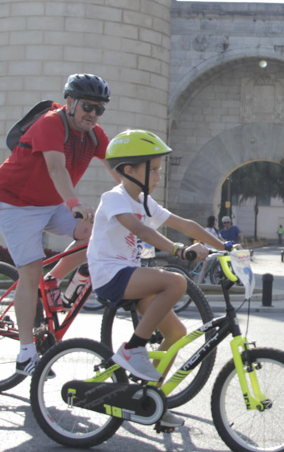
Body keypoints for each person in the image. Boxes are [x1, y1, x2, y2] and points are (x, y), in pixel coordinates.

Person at [88, 129, 224, 429]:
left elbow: (185, 223)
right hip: (110, 275)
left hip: (130, 277)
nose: (158, 176)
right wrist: (179, 250)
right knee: (176, 282)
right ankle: (133, 348)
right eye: (153, 170)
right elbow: (142, 231)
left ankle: (151, 401)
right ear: (129, 170)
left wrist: (224, 247)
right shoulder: (114, 198)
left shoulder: (146, 203)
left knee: (175, 334)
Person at [0, 73, 113, 376]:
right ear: (70, 102)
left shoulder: (94, 135)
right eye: (87, 106)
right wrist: (74, 205)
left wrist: (139, 203)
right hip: (13, 203)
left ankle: (53, 280)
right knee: (30, 271)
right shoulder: (50, 123)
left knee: (94, 235)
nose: (92, 114)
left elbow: (120, 168)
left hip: (48, 202)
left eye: (99, 109)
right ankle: (26, 353)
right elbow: (56, 168)